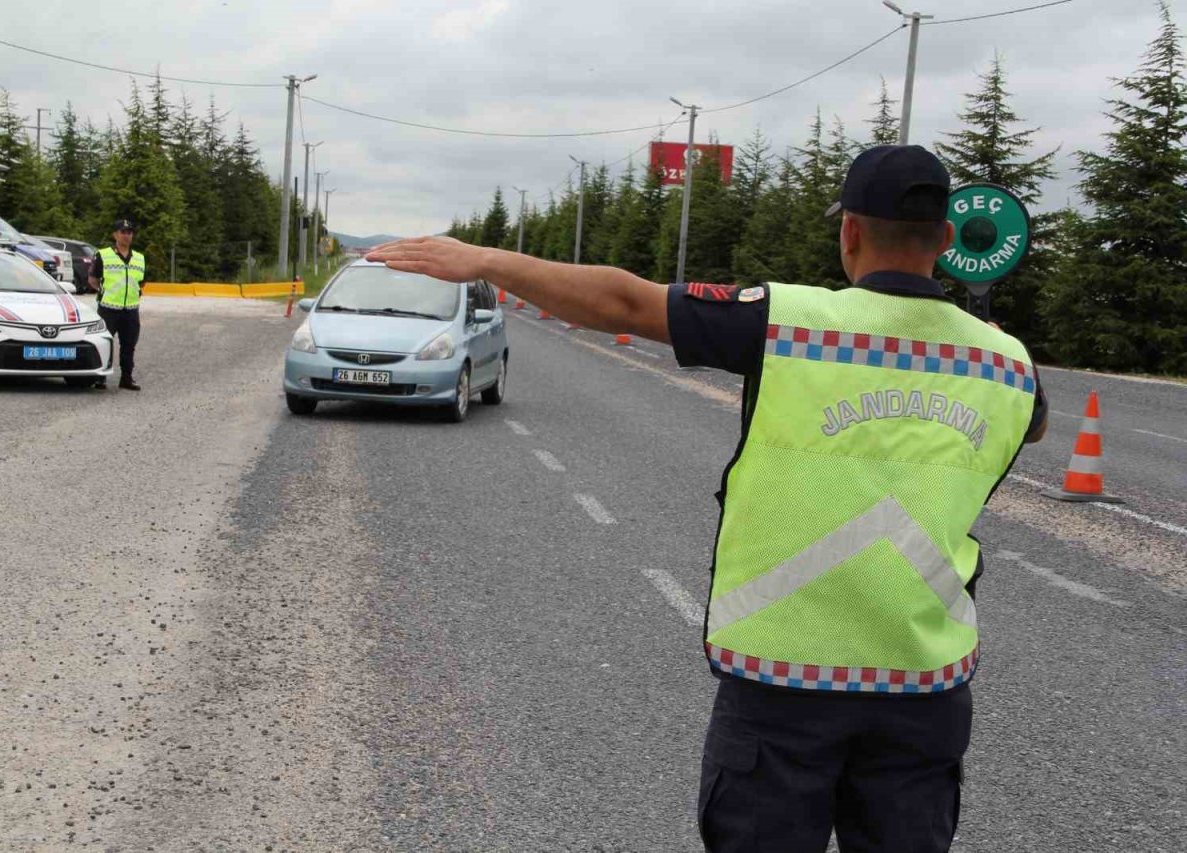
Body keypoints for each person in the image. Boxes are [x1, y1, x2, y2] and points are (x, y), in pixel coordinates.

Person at [368, 145, 1049, 853]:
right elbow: (1034, 422)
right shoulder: (1005, 362)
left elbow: (623, 300)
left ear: (848, 231)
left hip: (783, 683)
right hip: (923, 690)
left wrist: (484, 259)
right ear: (945, 240)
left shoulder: (789, 321)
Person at [88, 219, 146, 391]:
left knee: (129, 345)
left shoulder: (140, 258)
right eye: (123, 232)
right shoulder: (103, 255)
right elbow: (93, 280)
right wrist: (106, 292)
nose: (126, 235)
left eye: (129, 232)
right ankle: (100, 378)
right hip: (108, 308)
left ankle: (126, 378)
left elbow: (141, 282)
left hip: (130, 309)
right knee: (104, 343)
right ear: (115, 234)